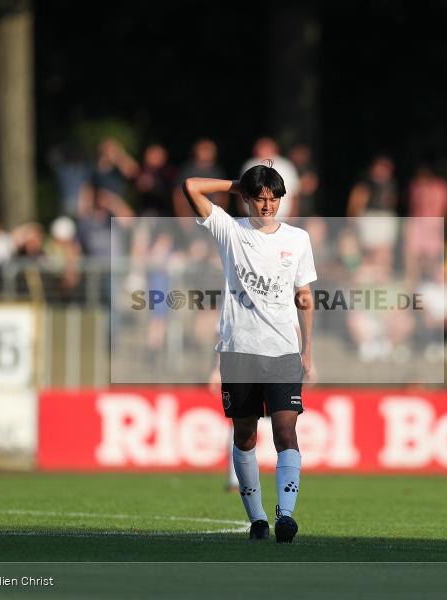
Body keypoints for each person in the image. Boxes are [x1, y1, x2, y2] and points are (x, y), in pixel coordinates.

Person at [183, 165, 316, 544]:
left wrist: (308, 349)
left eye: (273, 198)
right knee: (244, 436)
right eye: (260, 197)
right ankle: (257, 519)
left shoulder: (298, 239)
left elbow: (303, 296)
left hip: (283, 352)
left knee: (286, 431)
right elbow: (191, 186)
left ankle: (285, 516)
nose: (267, 205)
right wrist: (234, 183)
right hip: (239, 349)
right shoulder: (230, 230)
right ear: (246, 197)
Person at [240, 138, 300, 220]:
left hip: (282, 219)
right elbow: (241, 192)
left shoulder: (285, 165)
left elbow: (294, 193)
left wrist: (292, 218)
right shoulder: (249, 165)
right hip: (253, 219)